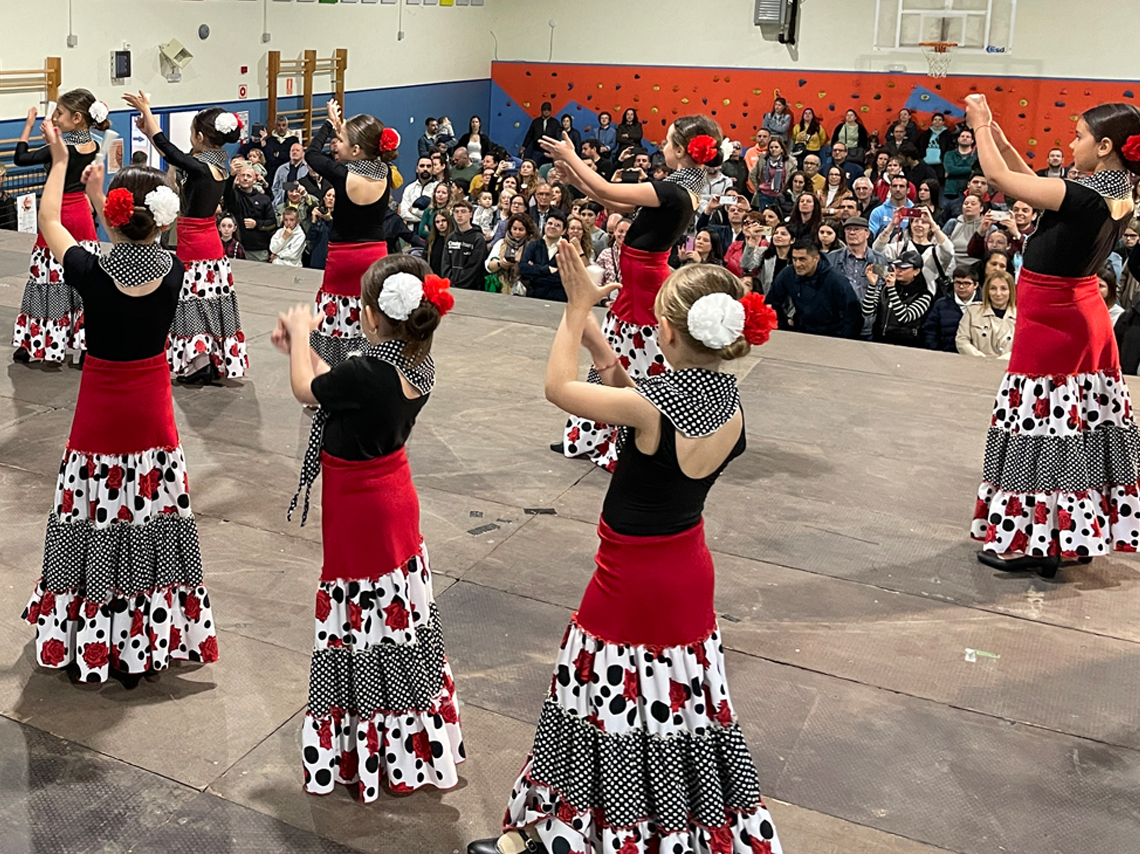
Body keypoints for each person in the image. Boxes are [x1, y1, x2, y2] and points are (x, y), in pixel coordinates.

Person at [466, 244, 783, 854]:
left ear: (664, 331)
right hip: (687, 570)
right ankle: (677, 833)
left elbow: (559, 389)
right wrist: (594, 340)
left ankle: (567, 839)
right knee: (678, 708)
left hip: (628, 578)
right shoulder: (727, 406)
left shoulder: (651, 406)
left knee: (598, 701)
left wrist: (576, 307)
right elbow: (642, 405)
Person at [22, 124, 216, 685]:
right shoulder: (174, 269)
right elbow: (136, 244)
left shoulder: (88, 267)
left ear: (110, 217)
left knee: (89, 514)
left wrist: (62, 165)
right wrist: (106, 199)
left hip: (99, 410)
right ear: (162, 220)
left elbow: (50, 223)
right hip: (152, 407)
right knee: (154, 517)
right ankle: (151, 632)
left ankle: (88, 633)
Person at [276, 254, 463, 802]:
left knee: (359, 620)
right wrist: (303, 348)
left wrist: (300, 332)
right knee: (395, 619)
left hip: (359, 505)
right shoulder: (411, 363)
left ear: (373, 316)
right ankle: (407, 734)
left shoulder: (367, 371)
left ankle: (368, 735)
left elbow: (308, 393)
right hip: (393, 496)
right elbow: (334, 384)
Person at [964, 97, 1140, 575]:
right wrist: (999, 139)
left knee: (1041, 430)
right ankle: (1067, 534)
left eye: (1079, 136)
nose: (1071, 143)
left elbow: (1001, 182)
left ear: (1104, 146)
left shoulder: (1085, 195)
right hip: (1078, 313)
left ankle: (1037, 538)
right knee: (1072, 430)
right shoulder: (1115, 186)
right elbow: (1037, 187)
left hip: (1054, 322)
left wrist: (979, 125)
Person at [540, 115, 720, 470]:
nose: (661, 148)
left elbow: (609, 191)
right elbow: (619, 204)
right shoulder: (681, 185)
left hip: (642, 293)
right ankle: (590, 436)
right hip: (636, 286)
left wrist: (571, 157)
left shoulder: (672, 191)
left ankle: (630, 439)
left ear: (682, 151)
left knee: (633, 367)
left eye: (667, 143)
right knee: (608, 362)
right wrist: (574, 176)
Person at [125, 93, 248, 382]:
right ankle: (208, 357)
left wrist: (149, 114)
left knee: (188, 301)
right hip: (210, 242)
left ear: (201, 136)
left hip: (195, 242)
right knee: (208, 300)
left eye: (192, 134)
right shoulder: (219, 163)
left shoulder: (203, 167)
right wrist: (148, 131)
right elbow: (177, 155)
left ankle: (198, 361)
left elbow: (171, 152)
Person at [11, 90, 107, 364]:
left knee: (46, 278)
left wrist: (28, 128)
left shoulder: (61, 148)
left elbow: (21, 158)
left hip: (58, 213)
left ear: (77, 118)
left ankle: (39, 341)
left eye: (59, 113)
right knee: (83, 279)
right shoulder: (95, 145)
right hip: (82, 216)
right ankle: (85, 341)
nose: (54, 117)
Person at [305, 99, 396, 366]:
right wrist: (340, 127)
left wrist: (328, 123)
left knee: (335, 316)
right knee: (368, 316)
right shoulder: (385, 172)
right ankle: (368, 374)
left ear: (356, 150)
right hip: (376, 256)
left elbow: (311, 154)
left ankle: (332, 376)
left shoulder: (342, 174)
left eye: (339, 140)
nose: (335, 143)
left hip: (344, 258)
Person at [766, 237, 861, 337]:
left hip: (832, 335)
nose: (797, 264)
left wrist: (843, 342)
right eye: (794, 259)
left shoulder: (836, 280)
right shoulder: (788, 274)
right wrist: (784, 327)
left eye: (802, 259)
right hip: (801, 332)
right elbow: (771, 303)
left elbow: (853, 317)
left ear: (816, 258)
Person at [872, 206, 955, 296]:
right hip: (902, 298)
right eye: (915, 221)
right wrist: (892, 225)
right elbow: (877, 249)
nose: (919, 224)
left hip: (929, 298)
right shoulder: (902, 246)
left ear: (930, 227)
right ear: (910, 225)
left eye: (924, 222)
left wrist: (933, 223)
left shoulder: (936, 251)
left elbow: (949, 250)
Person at [862, 250, 933, 347]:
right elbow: (867, 312)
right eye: (897, 267)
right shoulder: (885, 288)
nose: (899, 270)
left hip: (907, 346)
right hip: (880, 342)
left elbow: (904, 317)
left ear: (916, 271)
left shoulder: (924, 295)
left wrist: (891, 288)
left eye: (904, 268)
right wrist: (872, 285)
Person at [956, 268, 1016, 358]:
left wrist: (1004, 359)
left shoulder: (1021, 316)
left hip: (1007, 366)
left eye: (1003, 289)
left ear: (1011, 291)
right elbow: (962, 340)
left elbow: (1026, 346)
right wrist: (981, 359)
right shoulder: (973, 311)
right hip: (975, 365)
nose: (998, 293)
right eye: (993, 288)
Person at [224, 166, 277, 262]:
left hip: (258, 249)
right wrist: (231, 176)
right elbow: (226, 191)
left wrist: (257, 224)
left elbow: (272, 223)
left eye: (248, 176)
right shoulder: (234, 196)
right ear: (238, 178)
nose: (245, 178)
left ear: (254, 180)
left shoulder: (264, 199)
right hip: (236, 247)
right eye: (242, 175)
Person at [925, 264, 981, 351]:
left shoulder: (985, 305)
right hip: (946, 356)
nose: (961, 287)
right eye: (958, 283)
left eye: (966, 283)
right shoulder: (941, 305)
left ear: (975, 285)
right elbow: (930, 331)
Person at [519, 208, 569, 301]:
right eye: (549, 223)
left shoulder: (567, 249)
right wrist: (547, 269)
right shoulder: (533, 245)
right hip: (534, 297)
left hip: (559, 299)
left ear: (564, 231)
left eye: (557, 225)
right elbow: (523, 268)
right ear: (545, 225)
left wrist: (535, 273)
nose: (552, 227)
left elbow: (564, 277)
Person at [440, 200, 488, 290]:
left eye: (463, 211)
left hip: (472, 288)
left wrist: (459, 284)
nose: (459, 215)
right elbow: (445, 264)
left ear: (471, 214)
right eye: (456, 212)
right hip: (451, 287)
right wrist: (450, 282)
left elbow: (474, 268)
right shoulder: (450, 237)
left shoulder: (478, 238)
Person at [485, 213, 537, 294]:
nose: (517, 232)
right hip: (501, 287)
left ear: (527, 231)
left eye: (521, 229)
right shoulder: (501, 243)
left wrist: (522, 265)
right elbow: (488, 266)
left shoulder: (533, 246)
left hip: (524, 289)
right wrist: (500, 264)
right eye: (514, 229)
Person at [749, 138, 796, 212]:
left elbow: (793, 178)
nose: (773, 149)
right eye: (771, 147)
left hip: (781, 195)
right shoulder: (762, 160)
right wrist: (758, 188)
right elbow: (752, 174)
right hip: (764, 194)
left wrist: (786, 190)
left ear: (782, 149)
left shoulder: (790, 162)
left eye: (776, 147)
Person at [399, 157, 438, 228]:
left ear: (433, 169)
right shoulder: (409, 188)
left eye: (428, 166)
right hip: (411, 231)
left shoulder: (438, 188)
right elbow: (403, 213)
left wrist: (413, 211)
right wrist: (424, 219)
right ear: (417, 169)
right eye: (422, 166)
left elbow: (435, 214)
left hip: (432, 230)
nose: (425, 169)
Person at [757, 223, 794, 294]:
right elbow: (746, 265)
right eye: (776, 233)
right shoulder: (763, 253)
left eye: (783, 234)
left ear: (792, 240)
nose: (778, 236)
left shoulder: (796, 259)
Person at [917, 112, 954, 182]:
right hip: (926, 163)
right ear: (932, 122)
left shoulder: (948, 135)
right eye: (935, 119)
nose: (937, 122)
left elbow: (949, 148)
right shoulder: (925, 134)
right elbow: (920, 146)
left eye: (940, 120)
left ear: (943, 122)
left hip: (940, 164)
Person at [942, 128, 978, 196]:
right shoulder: (949, 154)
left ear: (972, 141)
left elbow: (978, 170)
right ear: (958, 139)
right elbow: (950, 170)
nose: (964, 138)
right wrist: (971, 169)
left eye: (968, 137)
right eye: (962, 136)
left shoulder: (977, 155)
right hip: (951, 192)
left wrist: (955, 170)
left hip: (970, 192)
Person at [595, 216, 630, 287]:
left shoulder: (637, 255)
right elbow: (597, 281)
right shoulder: (605, 254)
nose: (624, 235)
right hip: (609, 295)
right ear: (615, 231)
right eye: (620, 231)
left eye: (628, 232)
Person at [307, 188, 335, 270]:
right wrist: (314, 221)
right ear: (324, 198)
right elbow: (311, 237)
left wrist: (330, 220)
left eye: (334, 196)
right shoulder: (319, 215)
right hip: (318, 256)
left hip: (332, 257)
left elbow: (337, 236)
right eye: (328, 195)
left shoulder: (341, 217)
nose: (330, 198)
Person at [427, 212, 451, 276]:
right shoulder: (431, 240)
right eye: (437, 222)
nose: (441, 224)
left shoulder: (454, 239)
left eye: (443, 220)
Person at [0, 163, 17, 231]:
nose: (5, 179)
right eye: (3, 176)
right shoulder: (7, 198)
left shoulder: (7, 198)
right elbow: (12, 224)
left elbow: (12, 223)